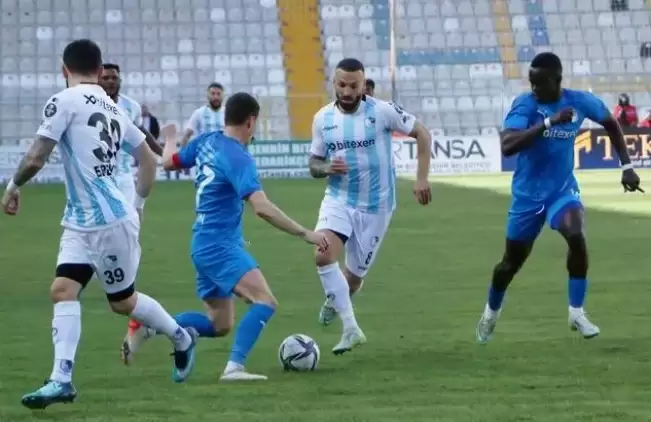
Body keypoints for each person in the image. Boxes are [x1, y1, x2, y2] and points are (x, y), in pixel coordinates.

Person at [0, 39, 197, 410]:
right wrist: (139, 203)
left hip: (107, 222)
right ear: (98, 69)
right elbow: (148, 159)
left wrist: (12, 186)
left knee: (123, 303)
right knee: (62, 290)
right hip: (81, 220)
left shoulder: (63, 100)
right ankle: (61, 380)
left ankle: (180, 337)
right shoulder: (113, 107)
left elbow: (37, 157)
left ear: (65, 69)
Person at [119, 92, 329, 381]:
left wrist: (169, 137)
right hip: (219, 247)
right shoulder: (238, 157)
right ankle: (234, 368)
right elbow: (262, 208)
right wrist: (306, 233)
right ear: (251, 121)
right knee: (265, 301)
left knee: (220, 325)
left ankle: (151, 325)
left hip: (203, 243)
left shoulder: (206, 141)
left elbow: (168, 162)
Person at [476, 52, 642, 344]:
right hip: (527, 197)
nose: (534, 88)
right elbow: (507, 145)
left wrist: (627, 166)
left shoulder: (579, 101)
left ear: (557, 80)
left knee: (576, 234)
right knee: (509, 264)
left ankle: (576, 312)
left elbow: (611, 124)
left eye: (540, 83)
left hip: (562, 190)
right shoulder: (525, 105)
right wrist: (547, 123)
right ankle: (491, 312)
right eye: (532, 82)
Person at [308, 58, 433, 354]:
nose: (347, 91)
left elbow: (422, 133)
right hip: (338, 199)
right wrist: (326, 168)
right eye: (342, 85)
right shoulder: (322, 119)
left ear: (363, 85)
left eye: (354, 86)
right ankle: (351, 329)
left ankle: (337, 297)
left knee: (352, 281)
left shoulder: (382, 111)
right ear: (334, 83)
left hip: (377, 207)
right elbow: (314, 163)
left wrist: (421, 178)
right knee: (323, 255)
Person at [99, 63, 163, 211]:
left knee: (129, 221)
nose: (110, 81)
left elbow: (142, 134)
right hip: (97, 177)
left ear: (120, 80)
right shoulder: (87, 105)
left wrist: (164, 154)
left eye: (114, 77)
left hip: (124, 177)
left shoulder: (131, 107)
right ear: (98, 80)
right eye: (106, 78)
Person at [180, 82, 225, 146]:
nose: (216, 97)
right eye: (213, 94)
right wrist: (183, 150)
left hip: (223, 150)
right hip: (204, 150)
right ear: (208, 96)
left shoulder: (228, 113)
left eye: (218, 94)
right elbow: (186, 135)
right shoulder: (199, 113)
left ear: (222, 96)